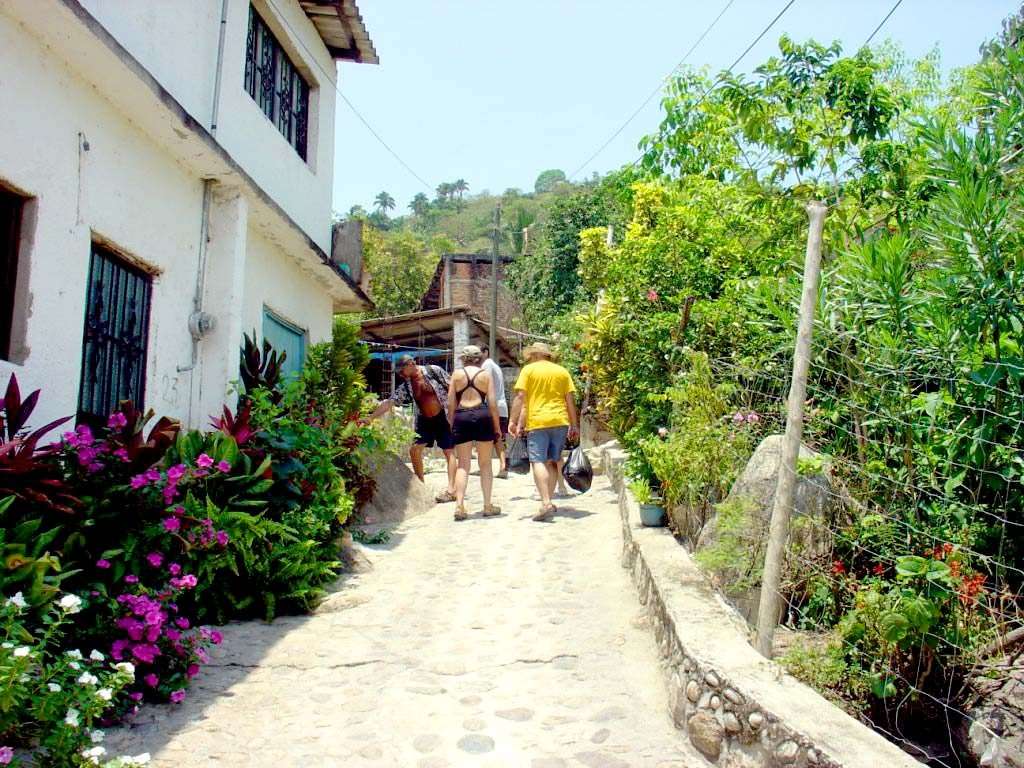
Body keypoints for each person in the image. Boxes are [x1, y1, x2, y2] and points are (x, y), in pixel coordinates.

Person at [370, 354, 457, 503]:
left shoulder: (433, 371)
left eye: (401, 370)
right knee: (414, 449)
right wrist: (371, 417)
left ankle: (452, 490)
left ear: (411, 364)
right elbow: (390, 402)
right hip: (424, 420)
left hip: (443, 417)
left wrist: (453, 412)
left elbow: (453, 388)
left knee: (449, 451)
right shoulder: (407, 386)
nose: (400, 374)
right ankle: (421, 486)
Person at [509, 342, 579, 522]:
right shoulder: (562, 372)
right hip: (560, 421)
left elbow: (520, 397)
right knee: (552, 461)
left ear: (534, 355)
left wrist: (513, 420)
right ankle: (549, 500)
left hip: (538, 422)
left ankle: (546, 501)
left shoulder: (529, 371)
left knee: (537, 461)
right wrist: (574, 425)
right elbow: (570, 401)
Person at [447, 345, 503, 521]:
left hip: (462, 416)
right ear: (479, 358)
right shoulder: (485, 375)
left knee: (463, 464)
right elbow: (492, 403)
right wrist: (497, 427)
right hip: (482, 415)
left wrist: (451, 422)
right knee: (485, 463)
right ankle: (487, 506)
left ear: (463, 359)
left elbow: (450, 404)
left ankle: (460, 505)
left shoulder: (456, 375)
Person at [480, 347, 509, 478]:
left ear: (485, 352)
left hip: (492, 407)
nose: (476, 356)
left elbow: (484, 385)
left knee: (485, 439)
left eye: (478, 353)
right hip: (501, 406)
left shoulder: (487, 365)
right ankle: (503, 467)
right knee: (498, 438)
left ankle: (485, 468)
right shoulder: (495, 365)